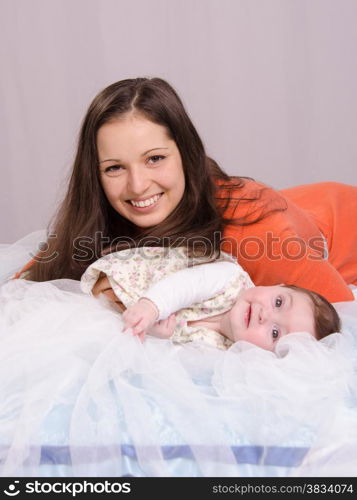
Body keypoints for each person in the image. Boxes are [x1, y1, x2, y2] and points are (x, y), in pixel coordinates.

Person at [15, 77, 357, 303]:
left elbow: (339, 321)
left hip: (345, 222)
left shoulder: (254, 232)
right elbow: (29, 287)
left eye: (155, 159)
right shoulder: (101, 213)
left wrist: (147, 294)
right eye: (115, 168)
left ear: (187, 154)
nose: (137, 186)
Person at [80, 246, 341, 351]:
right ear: (278, 285)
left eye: (275, 332)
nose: (265, 315)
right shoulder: (231, 279)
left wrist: (160, 334)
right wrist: (152, 306)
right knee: (89, 309)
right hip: (138, 284)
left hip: (135, 322)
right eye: (279, 302)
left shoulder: (224, 351)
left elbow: (179, 350)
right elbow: (185, 286)